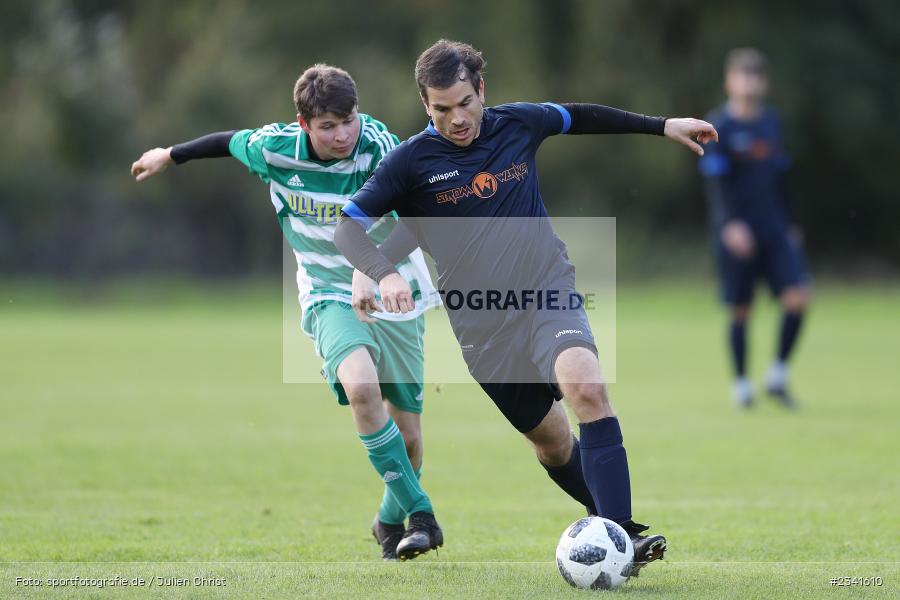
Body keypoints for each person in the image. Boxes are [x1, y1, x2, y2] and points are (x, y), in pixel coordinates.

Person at [334, 39, 718, 576]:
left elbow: (581, 116)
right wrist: (382, 270)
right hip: (481, 327)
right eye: (442, 109)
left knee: (586, 387)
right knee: (553, 442)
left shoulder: (519, 124)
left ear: (481, 89)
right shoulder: (411, 162)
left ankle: (622, 534)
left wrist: (661, 126)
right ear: (426, 104)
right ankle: (606, 518)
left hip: (545, 291)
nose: (457, 118)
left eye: (465, 102)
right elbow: (348, 227)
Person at [130, 64, 444, 561]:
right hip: (327, 292)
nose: (342, 135)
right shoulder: (274, 148)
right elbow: (229, 141)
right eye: (327, 126)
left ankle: (389, 522)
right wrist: (170, 154)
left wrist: (372, 267)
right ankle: (422, 516)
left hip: (394, 289)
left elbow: (413, 217)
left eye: (349, 121)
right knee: (362, 388)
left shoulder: (379, 146)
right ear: (304, 125)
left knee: (408, 438)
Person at [699, 48, 810, 409]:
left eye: (755, 76)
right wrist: (730, 224)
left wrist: (791, 224)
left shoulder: (771, 124)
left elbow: (782, 179)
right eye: (742, 75)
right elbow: (716, 183)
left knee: (798, 298)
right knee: (741, 309)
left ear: (764, 82)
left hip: (775, 228)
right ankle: (743, 385)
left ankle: (777, 376)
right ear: (729, 81)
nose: (749, 83)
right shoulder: (719, 126)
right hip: (737, 232)